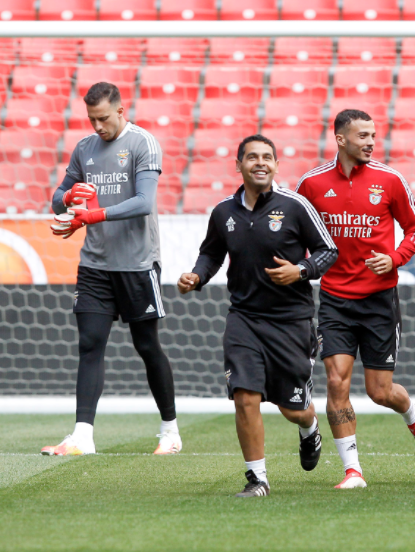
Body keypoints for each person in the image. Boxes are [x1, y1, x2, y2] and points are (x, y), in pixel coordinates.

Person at [178, 135, 338, 497]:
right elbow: (211, 255)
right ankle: (257, 479)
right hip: (244, 318)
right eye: (252, 157)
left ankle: (309, 427)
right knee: (244, 395)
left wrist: (301, 270)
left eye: (267, 157)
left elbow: (329, 251)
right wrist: (197, 276)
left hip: (291, 321)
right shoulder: (223, 213)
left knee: (292, 409)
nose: (260, 163)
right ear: (239, 165)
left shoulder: (296, 206)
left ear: (277, 165)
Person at [296, 109, 415, 489]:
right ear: (341, 139)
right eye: (362, 135)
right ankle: (352, 470)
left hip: (379, 300)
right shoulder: (311, 184)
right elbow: (295, 233)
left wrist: (395, 258)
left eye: (373, 134)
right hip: (335, 300)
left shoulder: (390, 180)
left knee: (379, 391)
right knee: (336, 381)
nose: (371, 141)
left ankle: (411, 414)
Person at [42, 82, 180, 457]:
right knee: (89, 344)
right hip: (95, 265)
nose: (97, 126)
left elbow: (144, 201)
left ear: (121, 111)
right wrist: (68, 198)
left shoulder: (142, 143)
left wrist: (93, 214)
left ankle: (170, 430)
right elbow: (56, 199)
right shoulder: (84, 149)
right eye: (91, 119)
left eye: (103, 118)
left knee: (147, 345)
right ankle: (82, 435)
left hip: (136, 263)